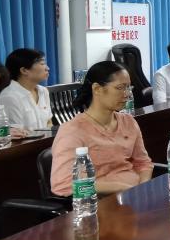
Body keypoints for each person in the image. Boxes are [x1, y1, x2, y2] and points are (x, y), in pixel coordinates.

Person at [51, 61, 153, 196]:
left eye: (129, 87)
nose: (128, 94)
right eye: (120, 88)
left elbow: (143, 163)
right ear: (97, 89)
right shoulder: (72, 131)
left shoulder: (128, 121)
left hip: (135, 195)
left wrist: (142, 188)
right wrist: (120, 187)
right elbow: (63, 184)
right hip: (102, 201)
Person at [0, 48, 53, 131]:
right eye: (42, 64)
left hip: (45, 138)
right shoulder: (9, 97)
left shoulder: (43, 91)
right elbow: (16, 133)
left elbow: (49, 122)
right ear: (24, 70)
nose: (47, 68)